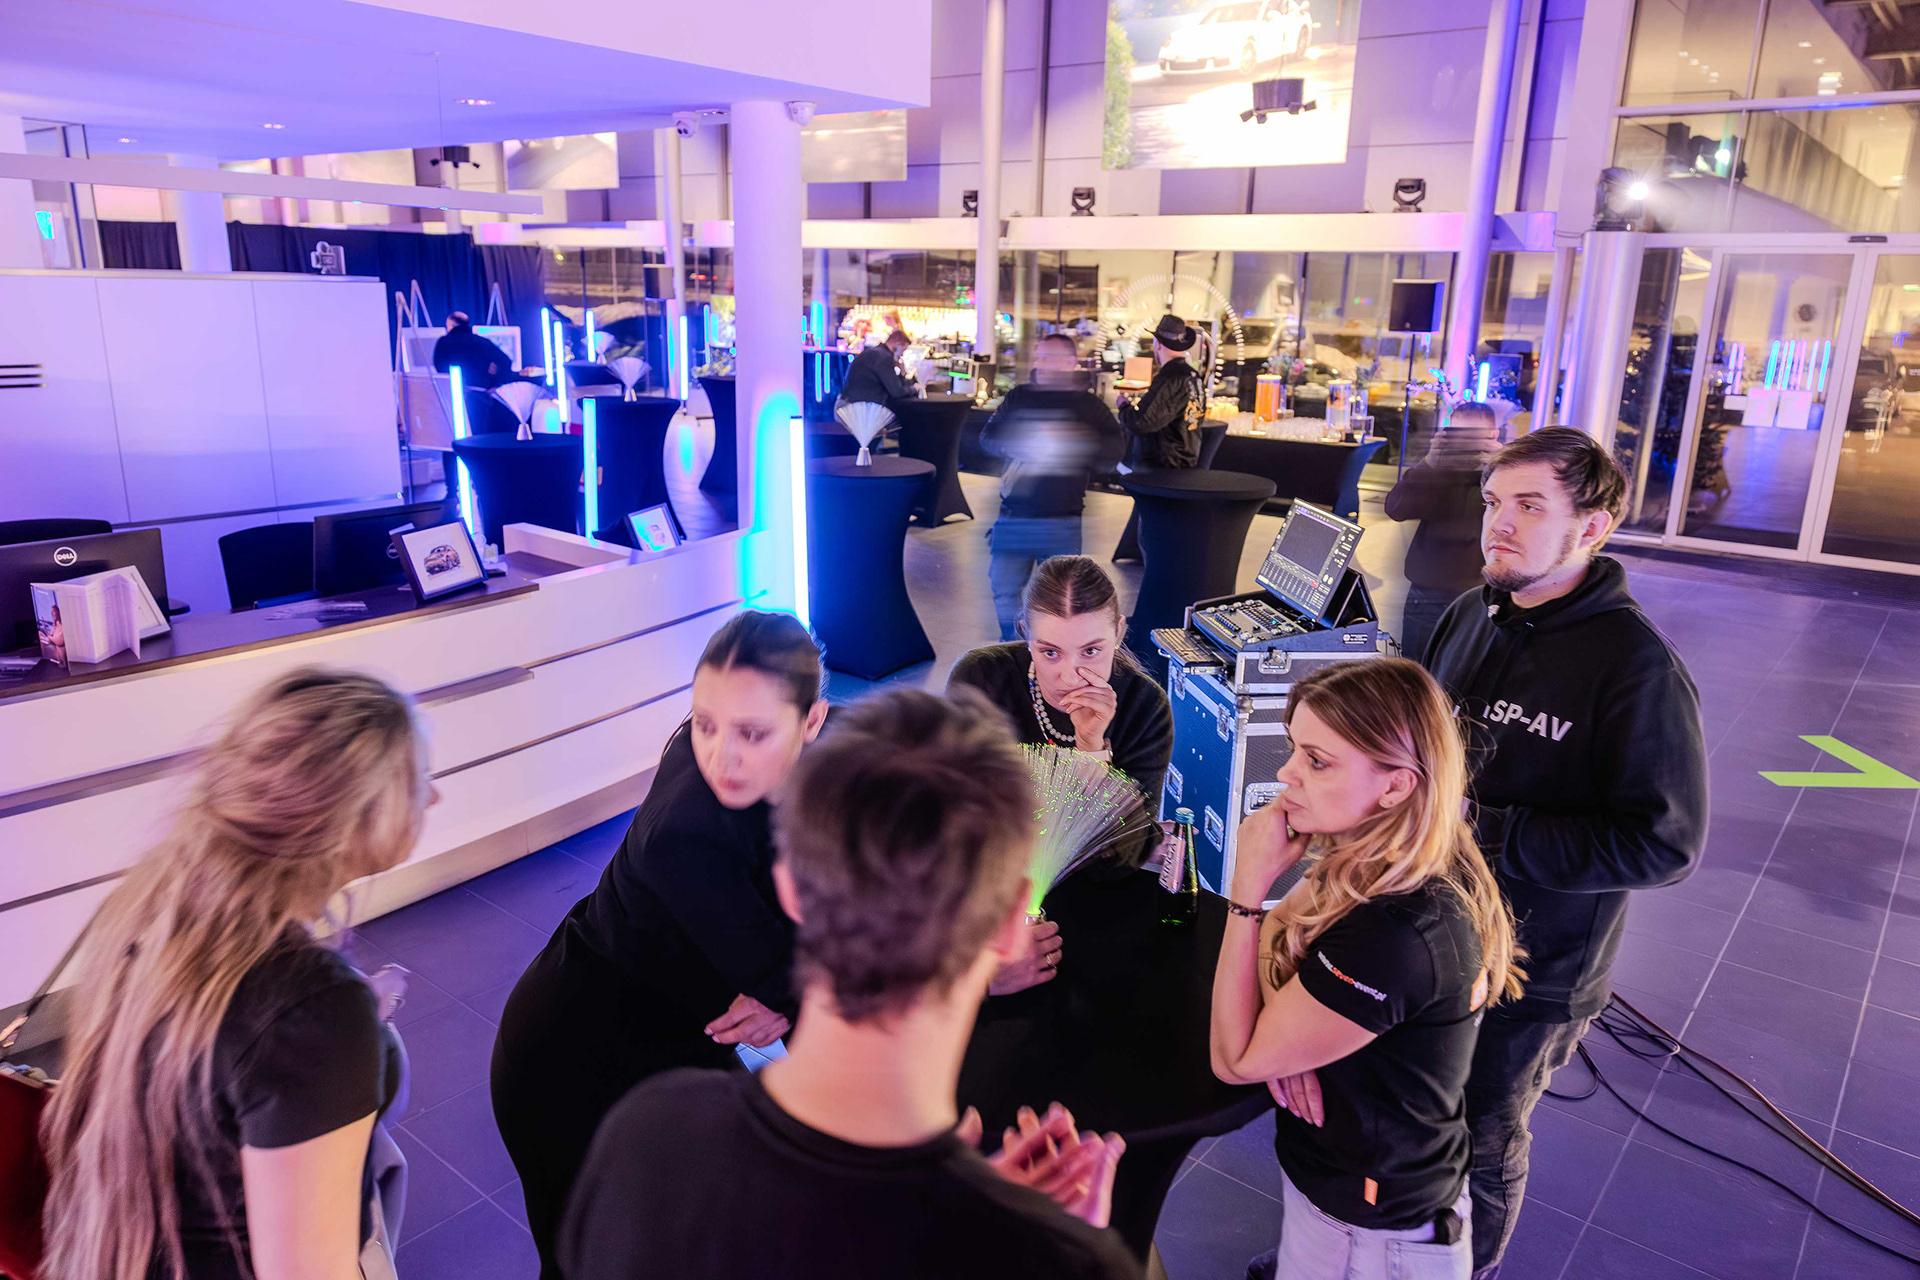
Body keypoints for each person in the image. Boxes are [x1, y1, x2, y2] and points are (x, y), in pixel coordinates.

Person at [558, 687, 1139, 1280]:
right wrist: (1021, 1238)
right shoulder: (1062, 1261)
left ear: (792, 888)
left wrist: (978, 1209)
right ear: (1013, 924)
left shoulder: (645, 1136)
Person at [1421, 427, 1707, 1279]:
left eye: (1529, 506)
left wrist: (1490, 829)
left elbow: (1665, 844)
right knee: (1411, 1114)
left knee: (1482, 1138)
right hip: (1432, 935)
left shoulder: (1637, 668)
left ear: (1593, 526)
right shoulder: (1469, 614)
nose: (1498, 525)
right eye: (1492, 503)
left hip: (1535, 971)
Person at [39, 668, 432, 1280]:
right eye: (419, 781)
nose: (432, 798)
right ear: (359, 819)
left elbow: (231, 1061)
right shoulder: (310, 1008)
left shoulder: (154, 906)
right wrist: (338, 1026)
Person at [490, 610, 829, 1280]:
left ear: (811, 721)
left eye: (752, 731)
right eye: (705, 724)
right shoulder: (687, 834)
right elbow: (788, 979)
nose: (720, 754)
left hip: (677, 1040)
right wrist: (785, 995)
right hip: (572, 1058)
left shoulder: (818, 750)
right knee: (587, 1262)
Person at [1210, 659, 1523, 1280]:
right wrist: (1293, 1040)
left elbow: (1236, 1059)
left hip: (1372, 1239)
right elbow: (1280, 936)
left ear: (1396, 786)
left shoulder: (1395, 931)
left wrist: (1247, 890)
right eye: (1295, 749)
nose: (1286, 773)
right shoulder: (1381, 856)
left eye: (1317, 761)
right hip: (1352, 1199)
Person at [948, 555, 1173, 994]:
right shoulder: (980, 680)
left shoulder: (1144, 708)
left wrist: (1092, 749)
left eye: (1092, 651)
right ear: (1026, 635)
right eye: (1050, 652)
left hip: (1093, 911)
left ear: (1119, 632)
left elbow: (1119, 865)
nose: (1071, 675)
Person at [979, 334, 1127, 639]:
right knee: (1004, 590)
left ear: (1071, 363)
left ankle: (1050, 653)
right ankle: (1016, 647)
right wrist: (1017, 444)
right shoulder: (1019, 396)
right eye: (1040, 356)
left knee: (1062, 601)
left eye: (1050, 357)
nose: (1041, 364)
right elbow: (987, 437)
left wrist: (1076, 445)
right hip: (1013, 516)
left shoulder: (1089, 406)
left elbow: (1114, 452)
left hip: (1063, 519)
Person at [1384, 402, 1503, 661]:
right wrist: (1429, 462)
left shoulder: (1502, 476)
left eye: (1473, 435)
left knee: (1467, 675)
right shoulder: (1437, 470)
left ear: (1493, 435)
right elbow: (1395, 508)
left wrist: (1503, 467)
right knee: (1416, 676)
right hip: (1427, 595)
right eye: (1457, 434)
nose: (1465, 443)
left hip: (1480, 597)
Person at [1117, 313, 1203, 472]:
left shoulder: (1169, 377)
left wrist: (1123, 406)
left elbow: (1141, 422)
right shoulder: (1193, 376)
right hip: (1186, 462)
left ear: (1157, 345)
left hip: (1165, 467)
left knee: (1119, 467)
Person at [432, 310, 518, 389]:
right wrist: (493, 382)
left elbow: (439, 366)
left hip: (455, 389)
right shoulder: (483, 342)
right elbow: (505, 362)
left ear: (451, 323)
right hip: (480, 390)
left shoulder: (444, 342)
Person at [838, 327, 916, 409]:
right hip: (859, 409)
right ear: (897, 343)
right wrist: (914, 389)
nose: (902, 354)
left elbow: (895, 386)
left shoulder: (877, 353)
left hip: (851, 404)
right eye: (903, 350)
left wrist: (902, 373)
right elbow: (897, 391)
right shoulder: (884, 358)